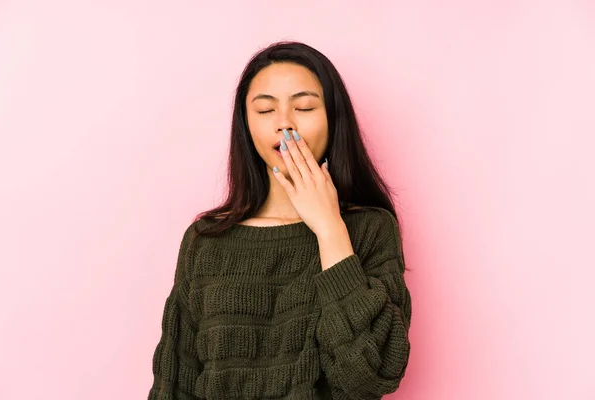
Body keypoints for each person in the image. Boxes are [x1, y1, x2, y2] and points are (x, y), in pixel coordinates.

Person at [147, 41, 412, 399]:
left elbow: (370, 374)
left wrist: (329, 227)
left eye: (303, 107)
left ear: (333, 118)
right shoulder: (205, 240)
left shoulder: (370, 230)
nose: (284, 123)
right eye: (266, 110)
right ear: (246, 124)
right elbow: (174, 384)